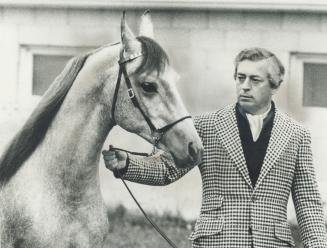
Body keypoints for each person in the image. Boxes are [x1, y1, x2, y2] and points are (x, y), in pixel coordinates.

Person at [102, 47, 327, 248]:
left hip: (273, 242)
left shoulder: (296, 134)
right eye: (240, 78)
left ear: (274, 85)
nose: (245, 87)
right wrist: (128, 163)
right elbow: (166, 169)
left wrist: (317, 244)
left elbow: (307, 201)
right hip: (217, 241)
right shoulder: (206, 126)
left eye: (255, 80)